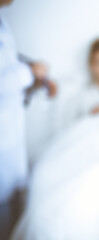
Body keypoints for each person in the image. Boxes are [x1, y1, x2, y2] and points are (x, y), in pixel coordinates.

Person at [0, 0, 56, 238]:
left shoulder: (3, 19)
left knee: (11, 198)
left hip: (8, 130)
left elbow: (6, 57)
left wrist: (27, 65)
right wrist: (29, 73)